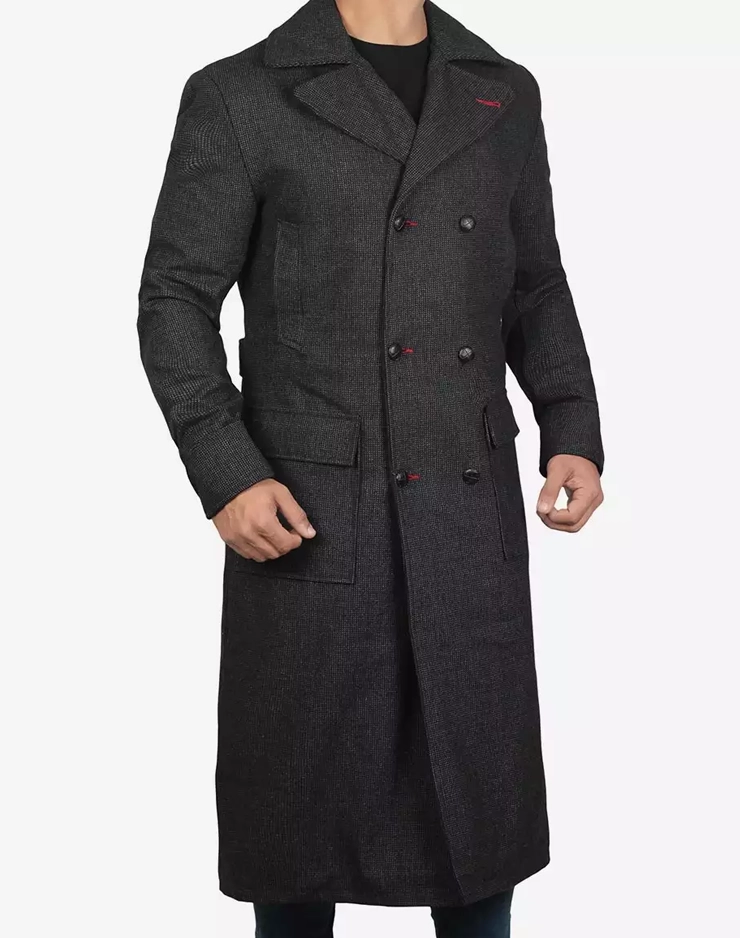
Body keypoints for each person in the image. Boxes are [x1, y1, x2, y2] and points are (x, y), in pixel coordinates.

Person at [137, 0, 604, 934]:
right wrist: (227, 472)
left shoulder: (504, 92)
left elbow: (535, 282)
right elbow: (174, 298)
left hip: (466, 509)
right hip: (314, 514)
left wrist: (572, 426)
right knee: (297, 833)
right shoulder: (240, 94)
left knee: (477, 822)